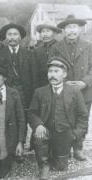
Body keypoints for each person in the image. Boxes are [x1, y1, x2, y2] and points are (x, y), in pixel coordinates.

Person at [28, 56, 88, 180]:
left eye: (56, 71)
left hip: (65, 133)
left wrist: (75, 134)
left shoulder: (74, 91)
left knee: (61, 167)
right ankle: (43, 165)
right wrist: (38, 124)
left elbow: (83, 115)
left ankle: (56, 154)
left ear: (64, 74)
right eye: (50, 71)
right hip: (45, 130)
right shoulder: (39, 92)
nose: (52, 75)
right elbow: (31, 113)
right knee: (39, 136)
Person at [51, 14, 92, 161]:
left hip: (84, 90)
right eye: (68, 27)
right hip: (64, 89)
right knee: (65, 118)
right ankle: (65, 147)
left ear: (80, 29)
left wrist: (85, 82)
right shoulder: (56, 47)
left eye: (74, 27)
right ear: (64, 30)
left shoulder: (89, 46)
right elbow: (53, 67)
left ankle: (78, 147)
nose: (71, 30)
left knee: (82, 117)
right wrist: (63, 82)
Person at [33, 21, 62, 87]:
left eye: (48, 31)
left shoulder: (61, 47)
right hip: (42, 86)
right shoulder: (37, 51)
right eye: (43, 31)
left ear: (54, 33)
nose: (45, 34)